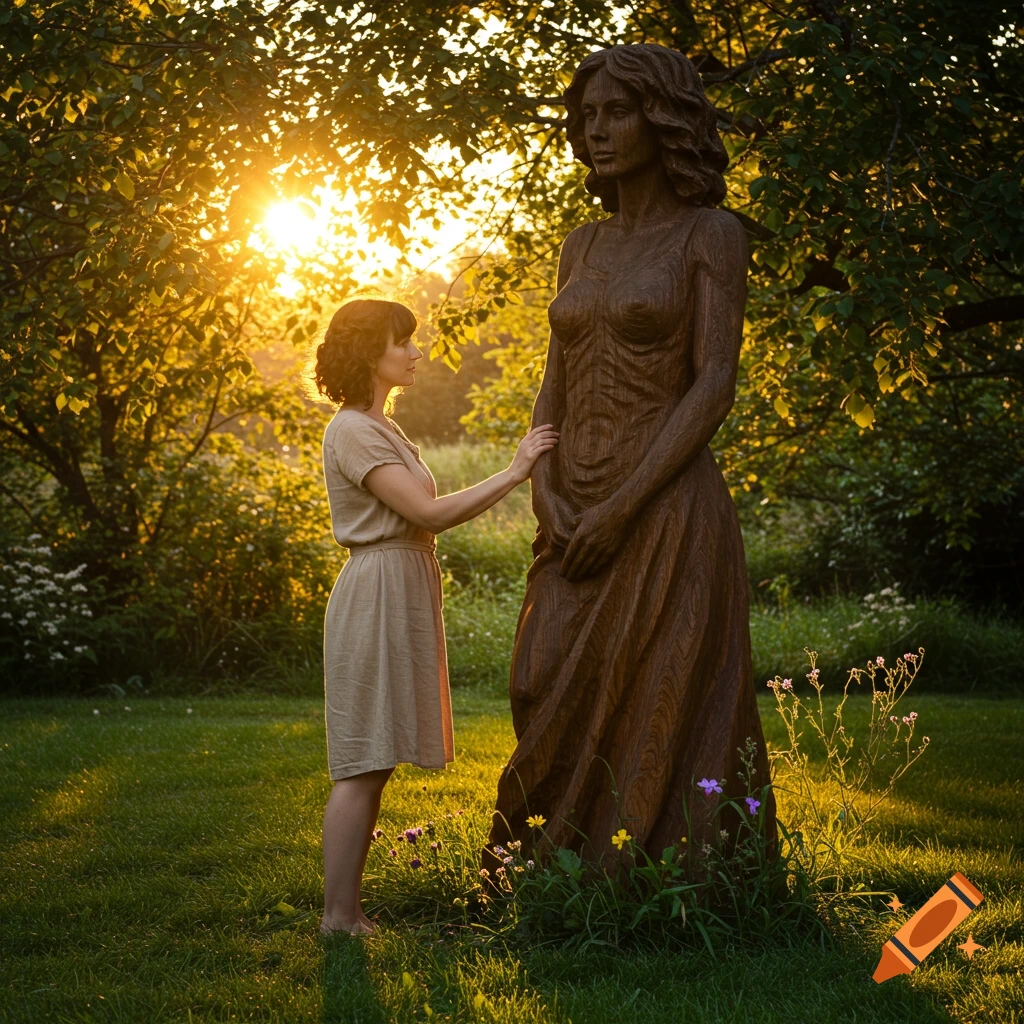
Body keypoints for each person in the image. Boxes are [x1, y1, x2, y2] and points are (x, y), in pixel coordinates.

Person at [489, 44, 777, 865]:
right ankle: (543, 870)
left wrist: (623, 509)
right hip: (571, 501)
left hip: (665, 507)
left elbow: (713, 384)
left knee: (661, 700)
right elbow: (554, 383)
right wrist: (543, 489)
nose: (598, 130)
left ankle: (655, 885)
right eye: (588, 115)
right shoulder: (580, 244)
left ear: (664, 118)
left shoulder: (710, 234)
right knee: (537, 678)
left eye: (618, 111)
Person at [314, 297, 557, 935]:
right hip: (377, 590)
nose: (415, 352)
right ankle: (338, 917)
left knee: (376, 760)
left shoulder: (384, 426)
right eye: (403, 342)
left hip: (400, 583)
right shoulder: (353, 429)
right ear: (370, 352)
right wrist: (515, 471)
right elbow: (428, 514)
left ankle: (347, 913)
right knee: (363, 759)